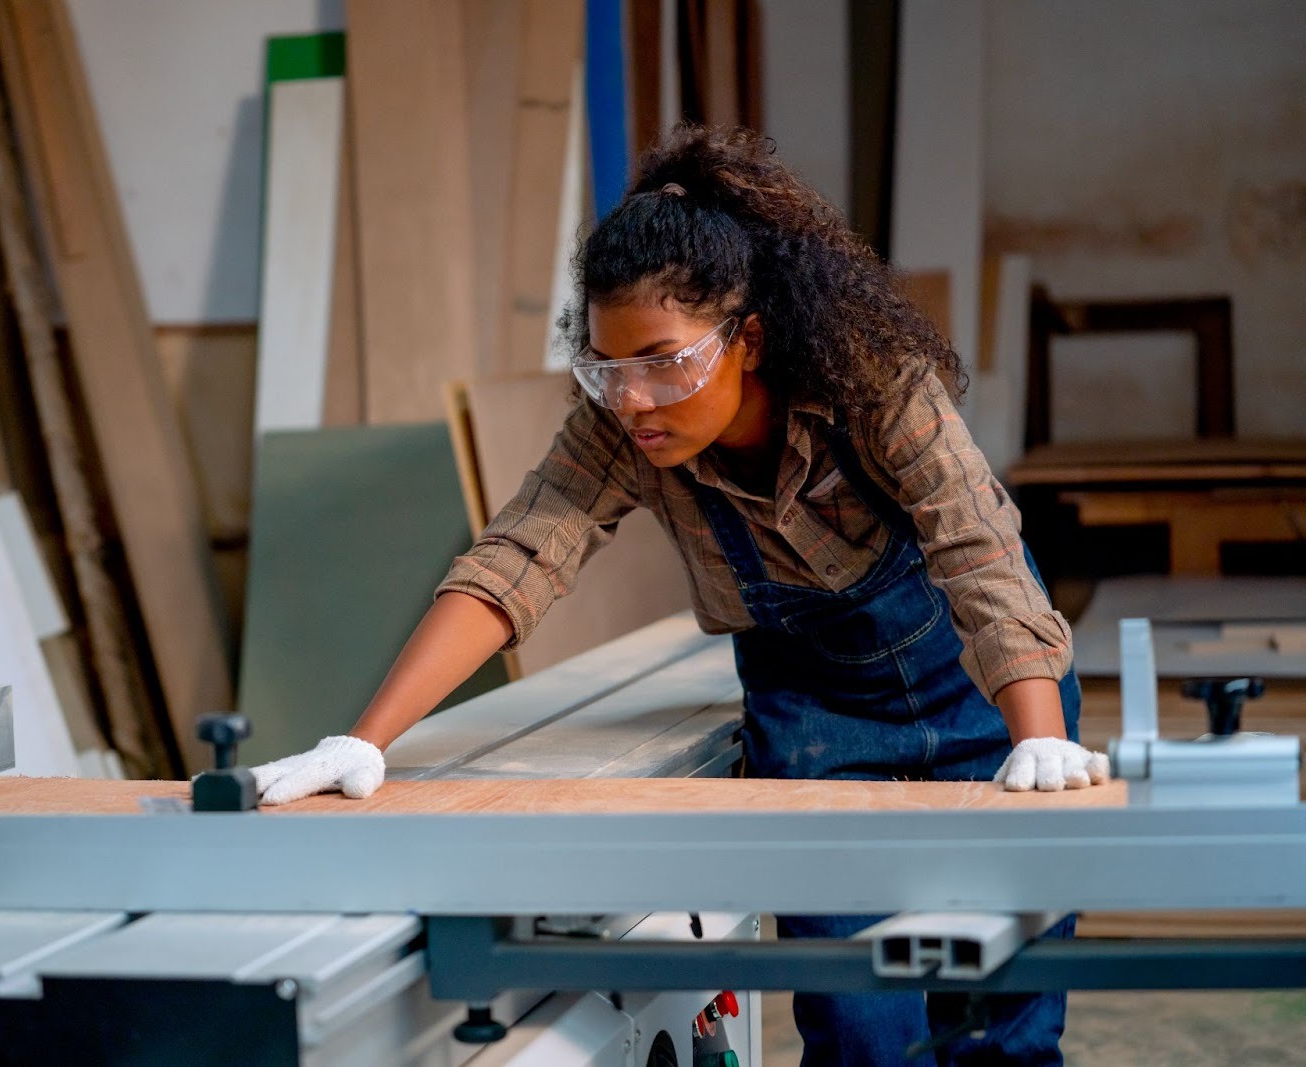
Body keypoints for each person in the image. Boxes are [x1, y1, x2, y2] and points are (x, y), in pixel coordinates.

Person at [252, 124, 1109, 1065]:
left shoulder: (874, 385)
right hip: (818, 725)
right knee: (864, 1033)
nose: (636, 400)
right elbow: (519, 555)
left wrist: (1036, 734)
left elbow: (979, 551)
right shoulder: (624, 425)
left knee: (1005, 1029)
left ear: (748, 338)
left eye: (663, 360)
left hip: (984, 693)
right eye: (609, 367)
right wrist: (362, 739)